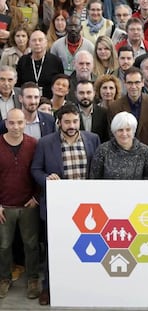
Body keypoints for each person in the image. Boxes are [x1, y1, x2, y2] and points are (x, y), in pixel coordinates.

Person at [31, 103, 100, 306]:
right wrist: (47, 179)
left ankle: (84, 286)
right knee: (54, 248)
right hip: (57, 206)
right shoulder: (45, 143)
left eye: (75, 121)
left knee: (87, 247)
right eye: (67, 121)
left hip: (87, 207)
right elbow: (35, 169)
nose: (71, 125)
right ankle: (48, 288)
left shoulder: (92, 139)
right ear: (59, 122)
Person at [0, 109, 40, 301]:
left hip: (28, 205)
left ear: (25, 123)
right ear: (6, 123)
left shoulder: (34, 144)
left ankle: (33, 279)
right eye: (12, 123)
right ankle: (4, 278)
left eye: (20, 123)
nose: (16, 127)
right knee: (3, 245)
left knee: (31, 245)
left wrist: (37, 197)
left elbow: (40, 171)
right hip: (4, 206)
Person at [107, 67, 148, 153]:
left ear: (143, 83)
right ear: (124, 84)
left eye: (137, 82)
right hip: (122, 157)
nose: (133, 87)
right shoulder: (114, 107)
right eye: (130, 83)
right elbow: (113, 135)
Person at [90, 111, 148, 179]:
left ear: (133, 131)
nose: (124, 134)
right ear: (114, 132)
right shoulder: (103, 150)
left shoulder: (144, 151)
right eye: (120, 130)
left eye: (128, 130)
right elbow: (94, 178)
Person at [16, 30, 65, 99]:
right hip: (28, 101)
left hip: (49, 101)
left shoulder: (55, 61)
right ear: (29, 43)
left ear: (46, 43)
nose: (37, 43)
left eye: (40, 40)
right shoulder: (23, 61)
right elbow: (18, 84)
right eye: (34, 40)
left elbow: (61, 83)